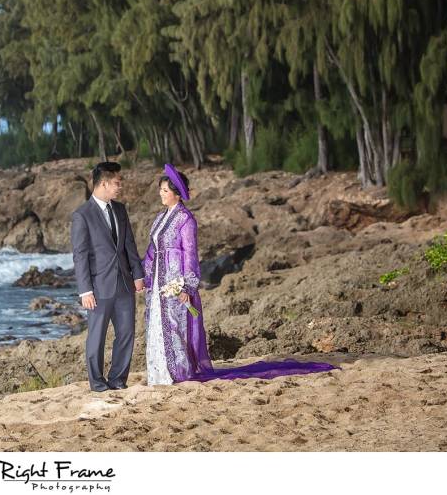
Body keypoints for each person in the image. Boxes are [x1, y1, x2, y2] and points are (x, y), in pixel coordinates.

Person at [142, 163, 338, 384]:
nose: (161, 193)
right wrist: (143, 275)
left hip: (175, 281)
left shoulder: (185, 219)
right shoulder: (160, 218)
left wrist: (187, 286)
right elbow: (152, 250)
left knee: (175, 326)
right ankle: (159, 373)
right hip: (158, 281)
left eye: (164, 190)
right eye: (160, 190)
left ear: (177, 194)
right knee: (158, 324)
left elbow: (190, 255)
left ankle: (178, 373)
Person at [71, 161, 145, 392]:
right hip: (98, 287)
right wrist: (85, 290)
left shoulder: (120, 210)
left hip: (124, 283)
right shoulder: (82, 215)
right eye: (116, 183)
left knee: (126, 334)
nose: (120, 187)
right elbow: (80, 255)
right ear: (103, 184)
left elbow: (129, 244)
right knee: (96, 338)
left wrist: (138, 274)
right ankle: (97, 383)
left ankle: (117, 380)